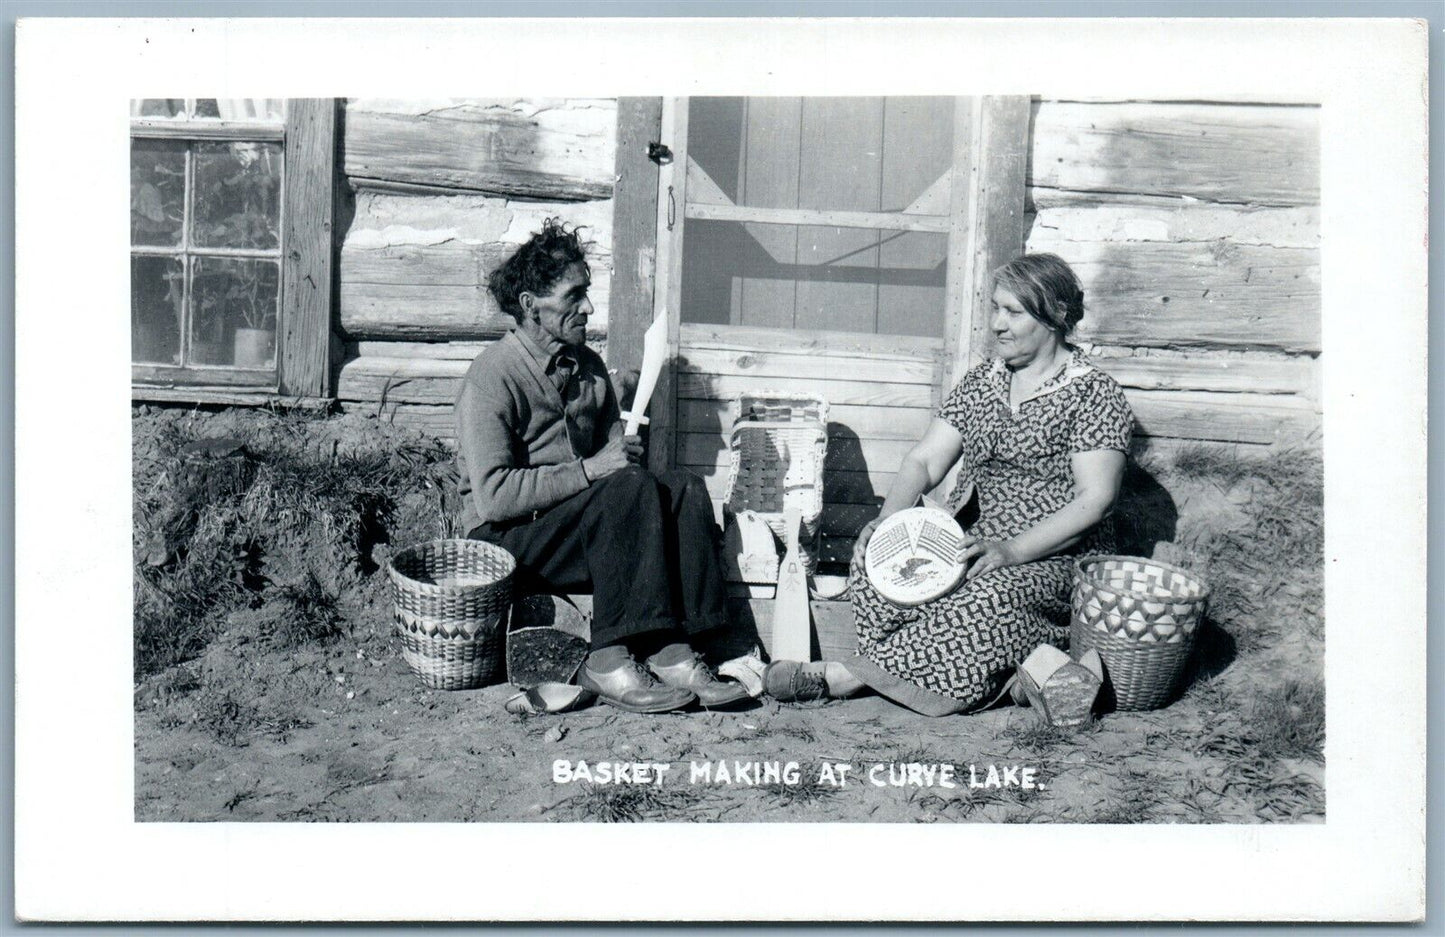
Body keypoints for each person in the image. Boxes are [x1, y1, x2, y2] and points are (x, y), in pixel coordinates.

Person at [764, 253, 1134, 715]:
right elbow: (924, 460)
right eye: (995, 309)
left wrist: (1012, 552)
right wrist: (884, 524)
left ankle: (840, 678)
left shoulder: (1093, 393)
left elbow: (1096, 500)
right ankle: (1012, 674)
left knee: (987, 599)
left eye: (1013, 312)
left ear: (1056, 316)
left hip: (1051, 555)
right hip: (971, 541)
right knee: (878, 570)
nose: (997, 324)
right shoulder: (984, 381)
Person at [456, 219, 747, 712]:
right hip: (510, 542)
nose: (588, 307)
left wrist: (622, 451)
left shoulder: (586, 366)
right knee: (625, 489)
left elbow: (618, 465)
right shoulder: (493, 375)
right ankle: (607, 658)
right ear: (530, 305)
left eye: (587, 293)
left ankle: (676, 649)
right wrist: (593, 470)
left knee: (684, 488)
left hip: (581, 527)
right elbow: (494, 497)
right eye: (574, 295)